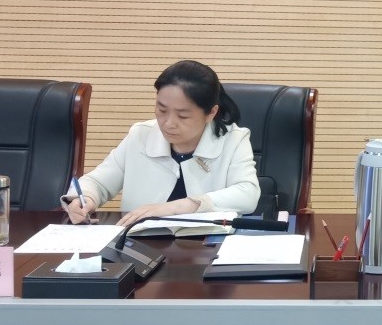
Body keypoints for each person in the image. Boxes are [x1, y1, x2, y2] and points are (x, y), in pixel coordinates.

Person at [62, 60, 259, 226]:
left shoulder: (233, 139)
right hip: (139, 246)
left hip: (206, 247)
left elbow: (248, 194)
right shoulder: (141, 135)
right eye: (162, 110)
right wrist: (85, 198)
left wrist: (180, 206)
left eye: (183, 115)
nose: (168, 123)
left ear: (211, 113)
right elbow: (97, 182)